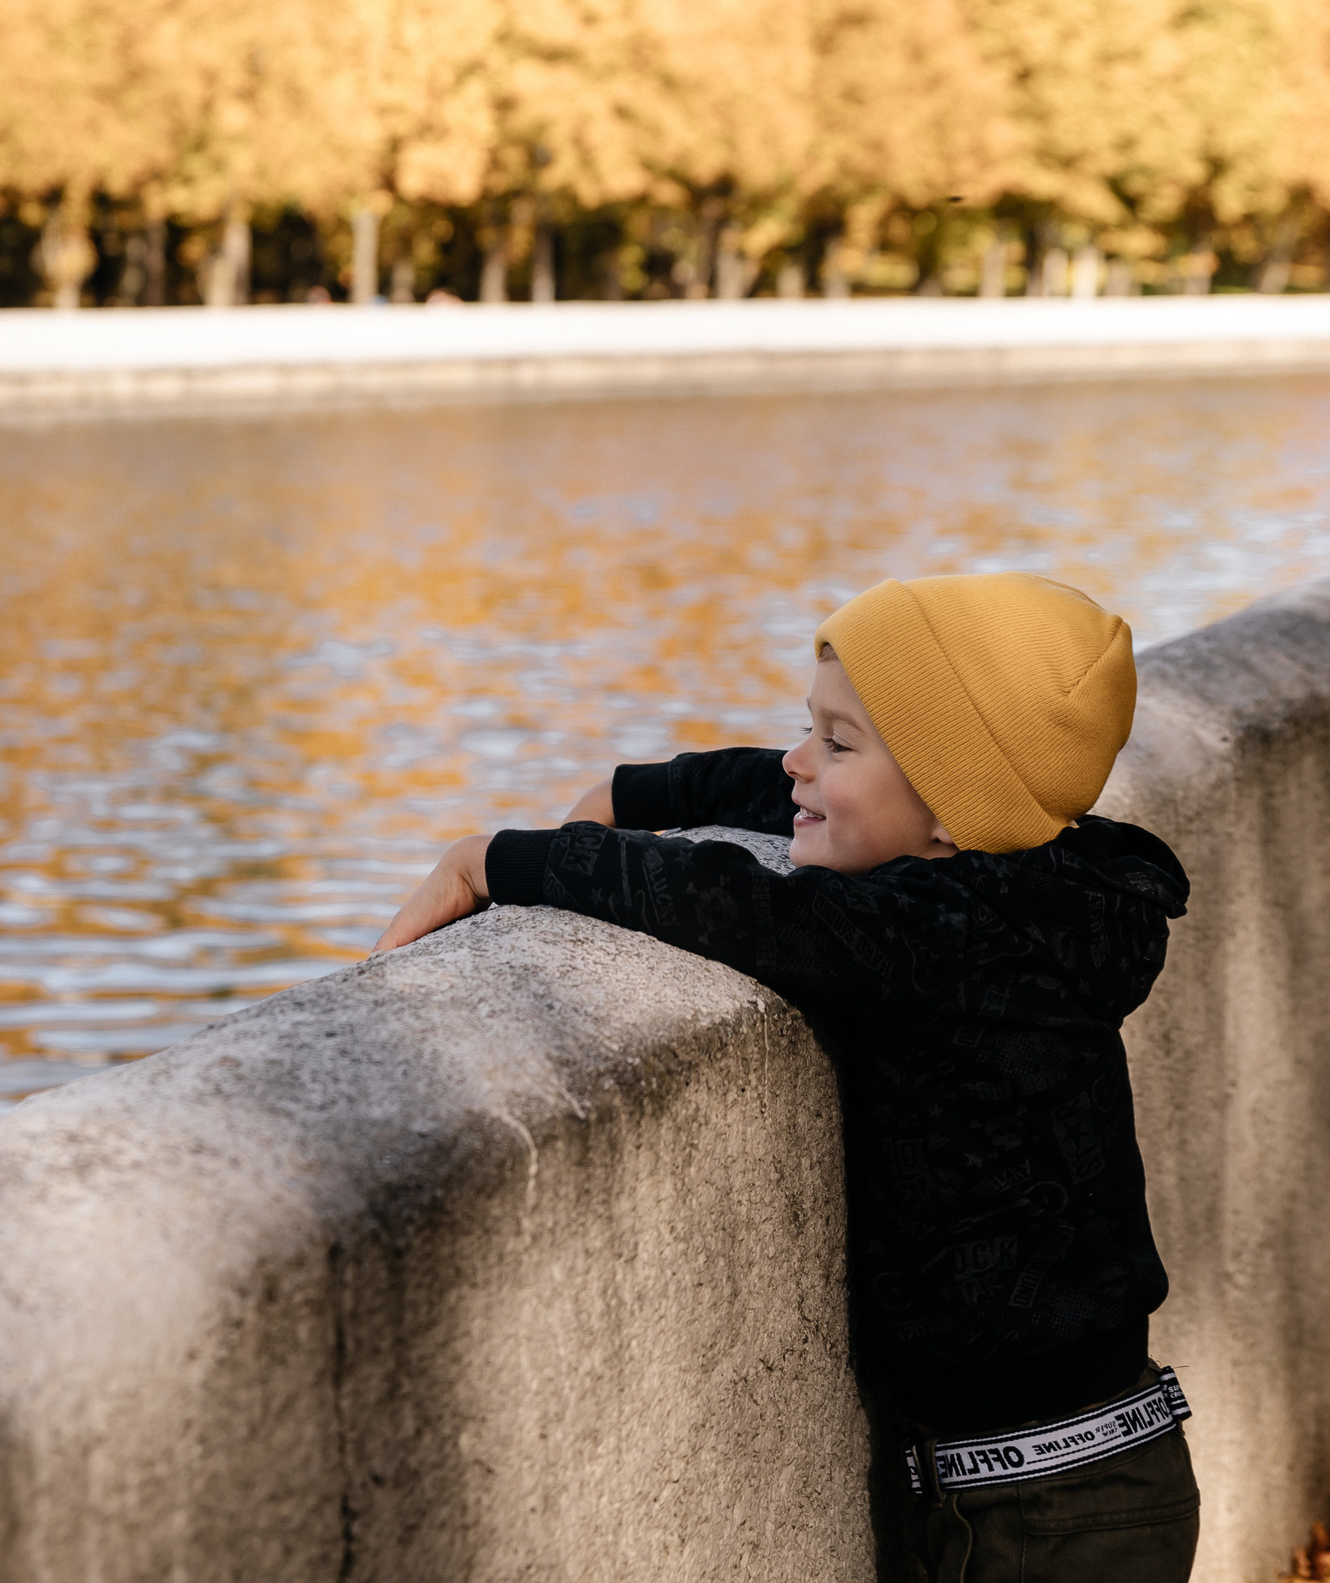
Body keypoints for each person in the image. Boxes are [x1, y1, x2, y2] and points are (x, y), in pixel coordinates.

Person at [374, 571, 1198, 1582]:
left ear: (951, 806)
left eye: (836, 742)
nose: (798, 764)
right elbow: (807, 789)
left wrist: (489, 860)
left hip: (1049, 1515)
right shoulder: (1030, 883)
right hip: (1056, 1479)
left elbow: (735, 903)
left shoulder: (939, 934)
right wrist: (648, 793)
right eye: (810, 729)